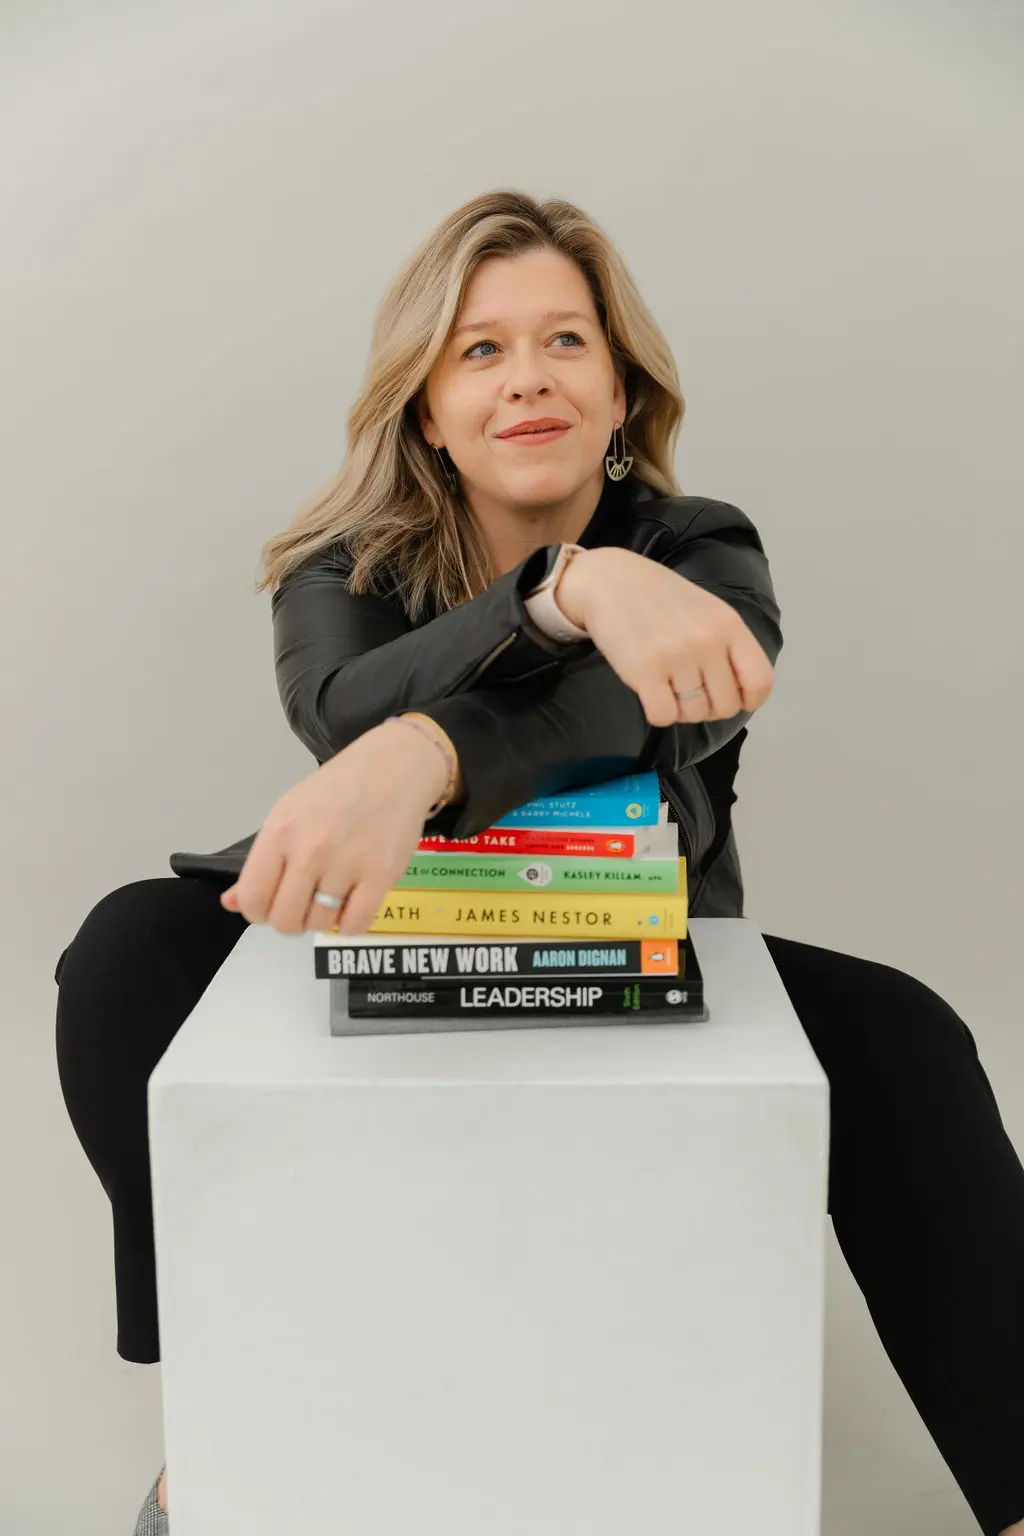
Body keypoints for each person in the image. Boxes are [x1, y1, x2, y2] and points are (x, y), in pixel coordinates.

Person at [53, 190, 1024, 1536]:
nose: (528, 378)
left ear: (620, 391)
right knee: (125, 949)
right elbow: (339, 708)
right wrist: (563, 594)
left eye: (567, 340)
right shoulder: (343, 565)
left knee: (905, 1039)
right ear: (428, 409)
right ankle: (218, 1401)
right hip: (382, 931)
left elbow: (644, 709)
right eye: (481, 350)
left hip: (625, 940)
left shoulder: (699, 546)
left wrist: (428, 753)